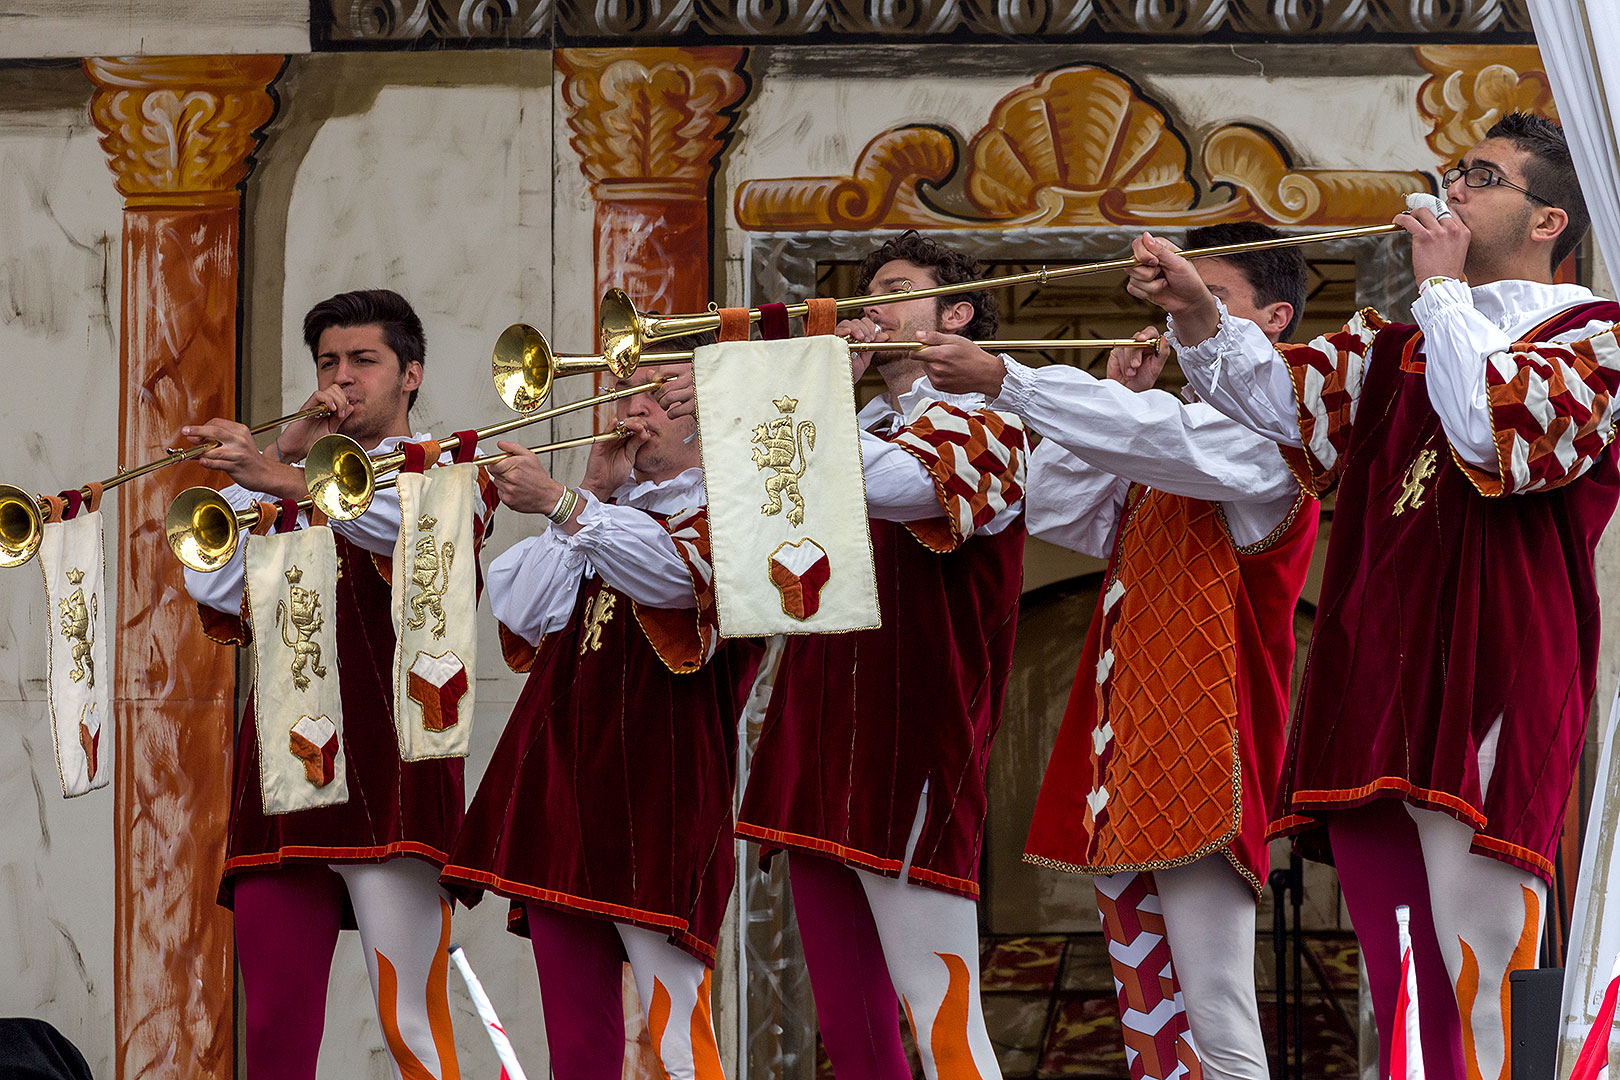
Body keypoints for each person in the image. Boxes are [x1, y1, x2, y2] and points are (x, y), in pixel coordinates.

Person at [1125, 113, 1620, 1080]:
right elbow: (1271, 403)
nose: (1455, 189)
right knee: (1399, 975)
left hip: (1497, 672)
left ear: (1549, 219)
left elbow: (1492, 436)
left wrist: (1440, 286)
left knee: (1483, 978)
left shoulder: (1597, 339)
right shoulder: (1390, 345)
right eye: (1457, 171)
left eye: (1483, 176)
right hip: (1373, 671)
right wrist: (1195, 312)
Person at [921, 222, 1317, 1080]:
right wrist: (1114, 399)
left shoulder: (1272, 433)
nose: (1179, 314)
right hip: (1134, 748)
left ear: (1275, 319)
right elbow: (1061, 508)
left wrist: (1015, 382)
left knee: (1215, 1008)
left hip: (1207, 750)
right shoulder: (1173, 432)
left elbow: (1173, 449)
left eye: (1202, 297)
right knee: (1150, 1004)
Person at [661, 232, 1025, 1078]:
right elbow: (758, 551)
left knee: (942, 1019)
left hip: (912, 744)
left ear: (957, 313)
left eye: (895, 291)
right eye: (869, 295)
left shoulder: (996, 419)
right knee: (850, 1028)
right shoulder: (851, 424)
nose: (869, 312)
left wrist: (783, 396)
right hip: (816, 738)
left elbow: (904, 487)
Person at [182, 289, 477, 1080]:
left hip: (393, 774)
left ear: (411, 375)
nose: (341, 379)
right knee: (274, 1030)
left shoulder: (448, 465)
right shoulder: (293, 476)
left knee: (410, 1022)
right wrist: (278, 458)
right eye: (328, 362)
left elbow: (411, 537)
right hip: (282, 779)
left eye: (363, 362)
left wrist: (281, 476)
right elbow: (209, 586)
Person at [440, 339, 749, 1080]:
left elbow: (676, 578)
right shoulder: (603, 513)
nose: (630, 409)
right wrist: (586, 496)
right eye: (625, 391)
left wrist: (566, 504)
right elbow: (522, 610)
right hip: (561, 796)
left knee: (679, 1043)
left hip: (662, 802)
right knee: (577, 1050)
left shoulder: (736, 509)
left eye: (657, 392)